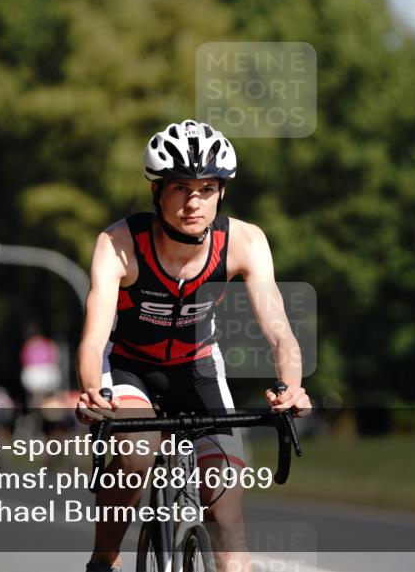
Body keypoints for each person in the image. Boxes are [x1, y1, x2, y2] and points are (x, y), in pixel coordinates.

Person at [75, 120, 312, 572]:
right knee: (135, 456)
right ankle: (104, 559)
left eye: (206, 187)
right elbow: (93, 336)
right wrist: (93, 390)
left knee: (225, 505)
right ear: (157, 191)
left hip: (198, 366)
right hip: (128, 368)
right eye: (181, 187)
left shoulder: (244, 241)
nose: (193, 201)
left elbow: (279, 329)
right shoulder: (119, 244)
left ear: (222, 191)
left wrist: (291, 387)